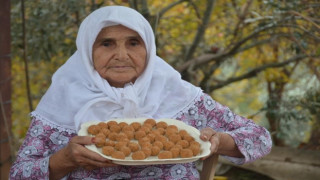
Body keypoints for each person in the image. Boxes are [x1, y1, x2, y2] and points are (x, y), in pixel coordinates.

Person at [10, 5, 272, 180]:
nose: (121, 55)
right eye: (106, 43)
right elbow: (20, 173)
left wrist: (218, 141)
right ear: (87, 51)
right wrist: (65, 159)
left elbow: (259, 138)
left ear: (148, 49)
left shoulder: (177, 95)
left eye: (133, 43)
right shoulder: (63, 98)